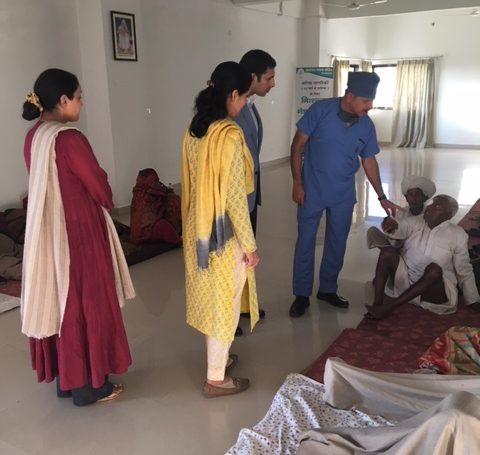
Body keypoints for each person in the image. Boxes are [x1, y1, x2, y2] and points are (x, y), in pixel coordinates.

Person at [21, 68, 135, 406]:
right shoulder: (69, 139)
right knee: (88, 304)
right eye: (80, 98)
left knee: (61, 303)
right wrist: (108, 198)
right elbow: (99, 186)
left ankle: (68, 382)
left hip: (49, 233)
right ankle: (90, 386)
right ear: (63, 100)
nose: (82, 104)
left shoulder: (35, 135)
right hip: (79, 233)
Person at [289, 71, 398, 318]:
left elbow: (369, 161)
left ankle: (327, 289)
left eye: (371, 102)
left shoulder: (366, 125)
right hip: (311, 190)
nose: (369, 107)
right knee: (305, 242)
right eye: (365, 101)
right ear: (349, 95)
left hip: (343, 194)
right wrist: (297, 182)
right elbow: (297, 146)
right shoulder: (320, 110)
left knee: (337, 242)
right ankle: (301, 294)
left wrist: (382, 196)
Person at [181, 61, 260, 397]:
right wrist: (250, 244)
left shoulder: (194, 130)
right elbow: (235, 200)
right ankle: (215, 378)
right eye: (243, 97)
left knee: (211, 297)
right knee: (225, 302)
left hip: (196, 229)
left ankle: (219, 359)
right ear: (232, 95)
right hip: (222, 234)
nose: (243, 104)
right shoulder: (228, 135)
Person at [365, 195, 480, 320]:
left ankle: (389, 308)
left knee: (434, 270)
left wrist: (472, 299)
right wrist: (391, 224)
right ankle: (377, 305)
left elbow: (464, 269)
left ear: (448, 215)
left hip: (432, 292)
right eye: (431, 204)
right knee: (387, 252)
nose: (429, 208)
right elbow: (400, 227)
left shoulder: (458, 234)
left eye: (436, 206)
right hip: (405, 282)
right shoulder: (417, 221)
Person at [234, 49, 276, 333]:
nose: (272, 84)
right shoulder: (230, 111)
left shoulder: (248, 105)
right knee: (234, 257)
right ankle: (231, 313)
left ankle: (245, 306)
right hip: (236, 198)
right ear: (253, 77)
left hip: (250, 192)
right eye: (269, 78)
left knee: (247, 254)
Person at [366, 175, 436, 249]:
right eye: (410, 195)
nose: (414, 198)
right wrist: (388, 226)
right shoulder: (401, 213)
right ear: (406, 198)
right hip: (400, 248)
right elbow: (394, 235)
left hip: (420, 250)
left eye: (417, 195)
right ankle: (388, 252)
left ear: (425, 198)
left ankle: (388, 253)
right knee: (372, 231)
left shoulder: (430, 215)